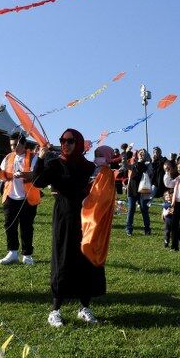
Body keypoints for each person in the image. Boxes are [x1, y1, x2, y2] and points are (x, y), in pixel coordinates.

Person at [33, 129, 104, 327]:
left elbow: (102, 186)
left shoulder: (88, 166)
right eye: (63, 140)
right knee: (62, 258)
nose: (66, 144)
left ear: (78, 143)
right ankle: (55, 310)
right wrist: (40, 157)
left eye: (71, 141)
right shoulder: (55, 164)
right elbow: (38, 181)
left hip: (86, 218)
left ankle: (84, 307)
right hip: (64, 217)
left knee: (85, 259)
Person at [0, 133, 39, 265]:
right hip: (10, 196)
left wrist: (23, 174)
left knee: (26, 226)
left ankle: (27, 254)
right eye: (12, 145)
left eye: (16, 145)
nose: (14, 148)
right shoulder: (8, 157)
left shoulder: (33, 157)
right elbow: (3, 177)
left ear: (24, 144)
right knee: (9, 225)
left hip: (28, 197)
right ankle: (12, 252)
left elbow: (36, 175)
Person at [125, 148, 153, 236]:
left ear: (146, 155)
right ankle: (129, 229)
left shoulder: (148, 164)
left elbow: (150, 173)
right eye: (140, 153)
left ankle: (147, 229)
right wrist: (126, 154)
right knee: (131, 209)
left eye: (143, 153)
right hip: (132, 188)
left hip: (143, 190)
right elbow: (126, 166)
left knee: (144, 210)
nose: (141, 154)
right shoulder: (134, 163)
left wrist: (144, 163)